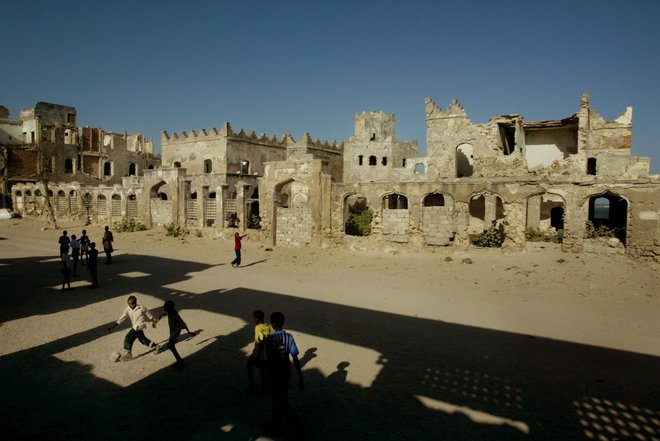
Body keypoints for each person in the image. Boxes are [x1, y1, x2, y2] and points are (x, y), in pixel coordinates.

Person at [265, 312, 305, 435]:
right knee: (282, 396)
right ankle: (276, 423)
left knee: (277, 400)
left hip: (274, 372)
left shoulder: (269, 339)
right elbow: (295, 357)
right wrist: (300, 375)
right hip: (285, 371)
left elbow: (269, 359)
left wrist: (266, 376)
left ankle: (288, 424)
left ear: (272, 324)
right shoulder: (289, 337)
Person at [107, 295, 159, 362]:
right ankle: (157, 346)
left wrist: (153, 322)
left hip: (139, 326)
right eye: (128, 304)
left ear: (135, 303)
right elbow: (122, 318)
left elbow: (149, 315)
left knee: (128, 337)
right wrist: (113, 326)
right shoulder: (128, 308)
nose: (130, 306)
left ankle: (128, 354)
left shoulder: (141, 307)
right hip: (135, 326)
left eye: (131, 304)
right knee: (142, 339)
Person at [153, 300, 195, 369]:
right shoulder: (171, 311)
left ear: (169, 308)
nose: (164, 309)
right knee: (170, 346)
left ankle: (180, 361)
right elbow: (166, 314)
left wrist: (189, 332)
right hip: (173, 331)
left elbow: (182, 322)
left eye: (165, 308)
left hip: (175, 332)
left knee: (170, 345)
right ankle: (179, 360)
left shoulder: (174, 314)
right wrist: (159, 318)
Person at [246, 310, 273, 394]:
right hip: (268, 354)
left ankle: (251, 385)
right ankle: (265, 388)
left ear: (257, 319)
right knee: (263, 371)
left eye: (253, 318)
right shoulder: (269, 326)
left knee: (249, 365)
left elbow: (261, 341)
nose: (253, 320)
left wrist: (257, 355)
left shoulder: (258, 327)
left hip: (260, 353)